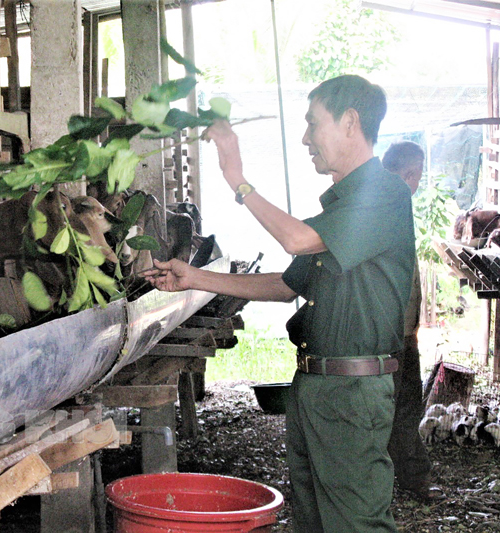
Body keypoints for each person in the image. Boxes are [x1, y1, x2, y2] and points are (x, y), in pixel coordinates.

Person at [145, 75, 415, 532]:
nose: (306, 138)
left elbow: (296, 239)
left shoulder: (383, 193)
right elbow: (288, 285)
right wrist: (194, 277)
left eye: (314, 124)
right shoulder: (343, 206)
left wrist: (238, 180)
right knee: (313, 521)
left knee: (356, 523)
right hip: (315, 386)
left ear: (350, 122)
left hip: (353, 392)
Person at [381, 141, 443, 502]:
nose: (417, 182)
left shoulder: (390, 201)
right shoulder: (388, 202)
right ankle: (405, 477)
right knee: (398, 406)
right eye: (417, 176)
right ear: (410, 173)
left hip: (401, 328)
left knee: (403, 404)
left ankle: (403, 474)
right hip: (390, 331)